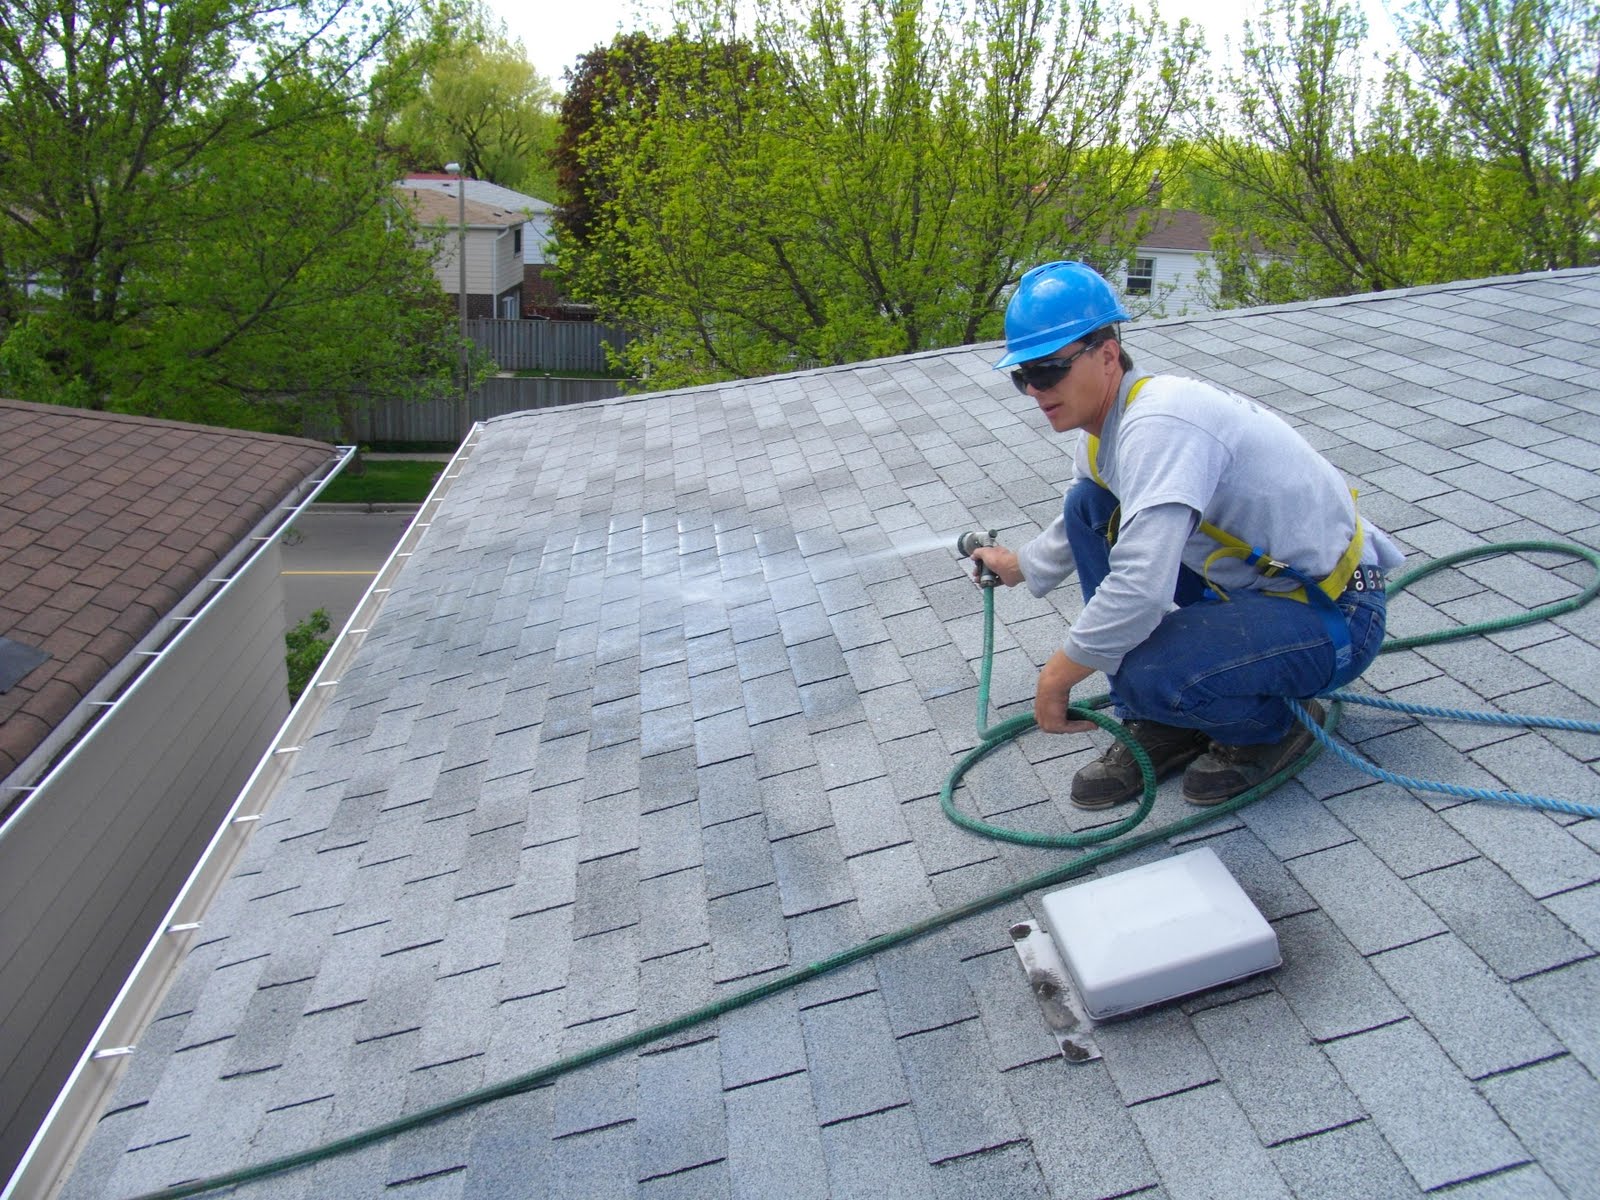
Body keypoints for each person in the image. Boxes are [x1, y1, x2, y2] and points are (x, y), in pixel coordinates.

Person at [969, 260, 1405, 808]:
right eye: (1022, 375)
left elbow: (1140, 590)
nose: (1034, 389)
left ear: (1107, 355)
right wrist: (1022, 566)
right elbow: (1082, 522)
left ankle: (1272, 726)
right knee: (1090, 504)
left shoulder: (1161, 424)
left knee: (1145, 668)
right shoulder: (1108, 430)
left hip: (1335, 613)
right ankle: (1160, 722)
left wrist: (1057, 678)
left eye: (1049, 369)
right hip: (1259, 593)